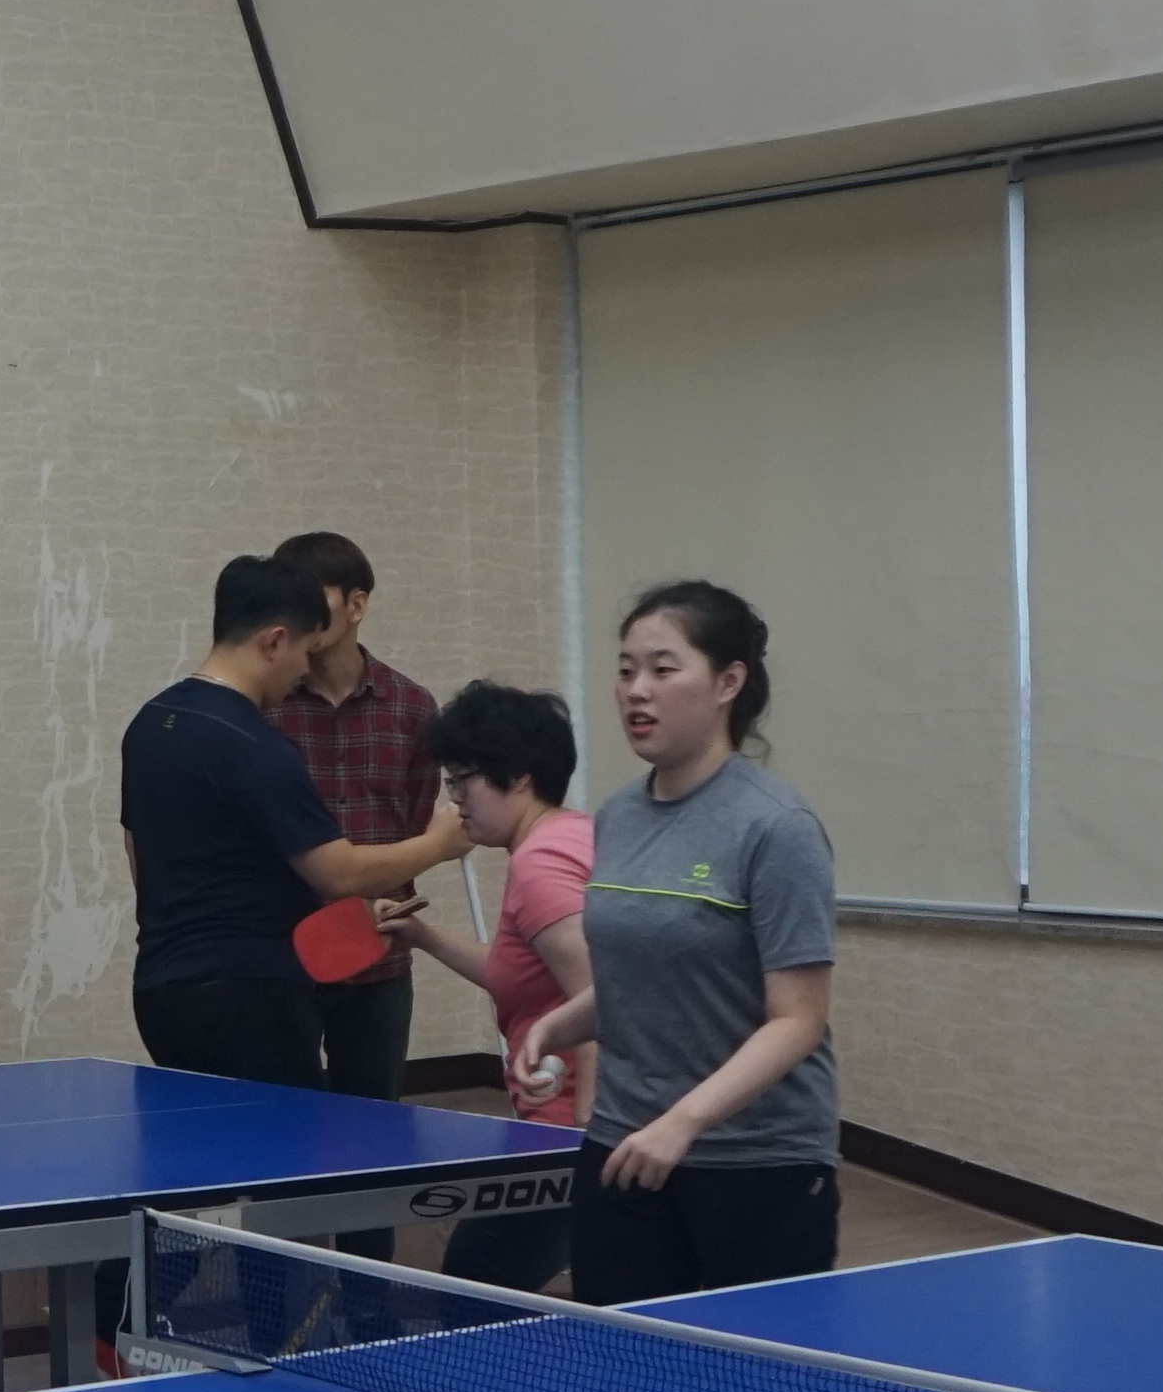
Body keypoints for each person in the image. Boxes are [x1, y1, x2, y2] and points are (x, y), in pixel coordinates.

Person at [508, 582, 840, 1301]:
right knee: (622, 1357)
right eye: (626, 670)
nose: (637, 690)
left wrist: (683, 1123)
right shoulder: (618, 816)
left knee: (747, 1366)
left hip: (756, 1160)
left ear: (728, 683)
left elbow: (798, 1019)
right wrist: (555, 1027)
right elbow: (641, 973)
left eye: (663, 669)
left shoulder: (776, 827)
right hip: (625, 1143)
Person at [122, 551, 467, 1094]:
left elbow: (142, 852)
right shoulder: (255, 744)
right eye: (305, 650)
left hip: (162, 989)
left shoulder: (152, 721)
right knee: (278, 1145)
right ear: (275, 641)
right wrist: (440, 844)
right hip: (250, 999)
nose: (306, 667)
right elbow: (340, 873)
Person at [379, 679, 592, 1287]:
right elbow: (516, 972)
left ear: (519, 777)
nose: (453, 802)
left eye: (462, 781)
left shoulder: (540, 866)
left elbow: (604, 1003)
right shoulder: (575, 833)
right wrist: (424, 935)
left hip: (565, 1134)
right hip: (572, 1128)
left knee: (474, 1281)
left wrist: (587, 1137)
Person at [260, 531, 443, 1101]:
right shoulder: (261, 707)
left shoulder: (413, 707)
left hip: (379, 957)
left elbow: (415, 828)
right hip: (279, 954)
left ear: (357, 605)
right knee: (280, 1122)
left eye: (311, 596)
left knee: (374, 1124)